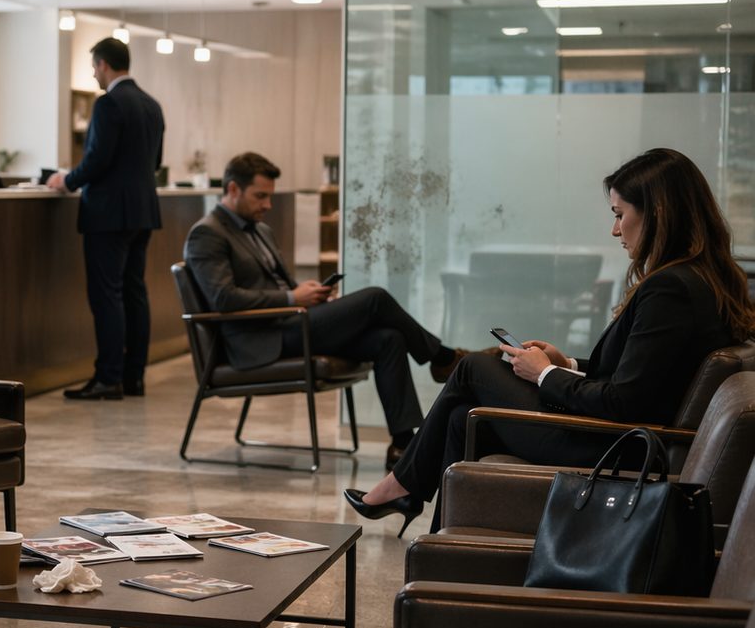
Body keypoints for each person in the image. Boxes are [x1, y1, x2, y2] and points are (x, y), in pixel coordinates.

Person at [345, 147, 755, 535]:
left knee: (474, 367)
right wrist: (567, 364)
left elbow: (623, 402)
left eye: (620, 214)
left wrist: (545, 376)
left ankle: (402, 486)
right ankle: (441, 536)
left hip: (615, 446)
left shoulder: (670, 289)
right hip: (629, 437)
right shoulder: (706, 279)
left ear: (659, 213)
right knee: (462, 416)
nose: (615, 230)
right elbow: (649, 373)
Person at [184, 152, 474, 469]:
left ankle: (403, 446)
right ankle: (444, 358)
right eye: (260, 196)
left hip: (291, 324)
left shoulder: (260, 230)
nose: (268, 204)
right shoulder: (207, 233)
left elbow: (279, 285)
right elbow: (222, 299)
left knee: (388, 338)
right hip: (260, 337)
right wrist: (293, 299)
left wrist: (311, 295)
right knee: (375, 298)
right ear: (233, 189)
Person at [46, 37, 164, 400]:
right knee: (134, 293)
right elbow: (155, 162)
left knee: (107, 296)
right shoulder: (151, 105)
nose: (94, 74)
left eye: (94, 67)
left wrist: (66, 180)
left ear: (103, 65)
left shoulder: (109, 103)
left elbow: (97, 159)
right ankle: (134, 377)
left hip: (109, 215)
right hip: (143, 212)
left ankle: (108, 377)